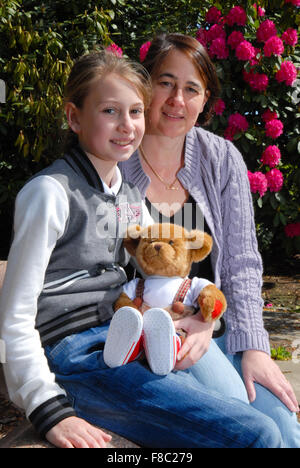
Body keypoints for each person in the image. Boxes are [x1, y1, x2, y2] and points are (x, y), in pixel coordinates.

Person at [0, 49, 285, 449]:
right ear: (75, 117)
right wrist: (48, 408)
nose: (127, 125)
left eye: (135, 111)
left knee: (259, 417)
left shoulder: (128, 194)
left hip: (122, 342)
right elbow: (15, 316)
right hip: (75, 361)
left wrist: (202, 309)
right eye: (110, 111)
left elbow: (167, 264)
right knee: (256, 433)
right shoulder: (50, 193)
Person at [119, 33, 300, 448]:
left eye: (191, 89)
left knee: (286, 424)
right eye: (165, 82)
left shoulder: (221, 159)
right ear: (144, 86)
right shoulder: (116, 160)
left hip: (217, 330)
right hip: (152, 343)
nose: (175, 99)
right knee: (247, 424)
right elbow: (109, 273)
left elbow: (241, 263)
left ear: (205, 103)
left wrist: (253, 346)